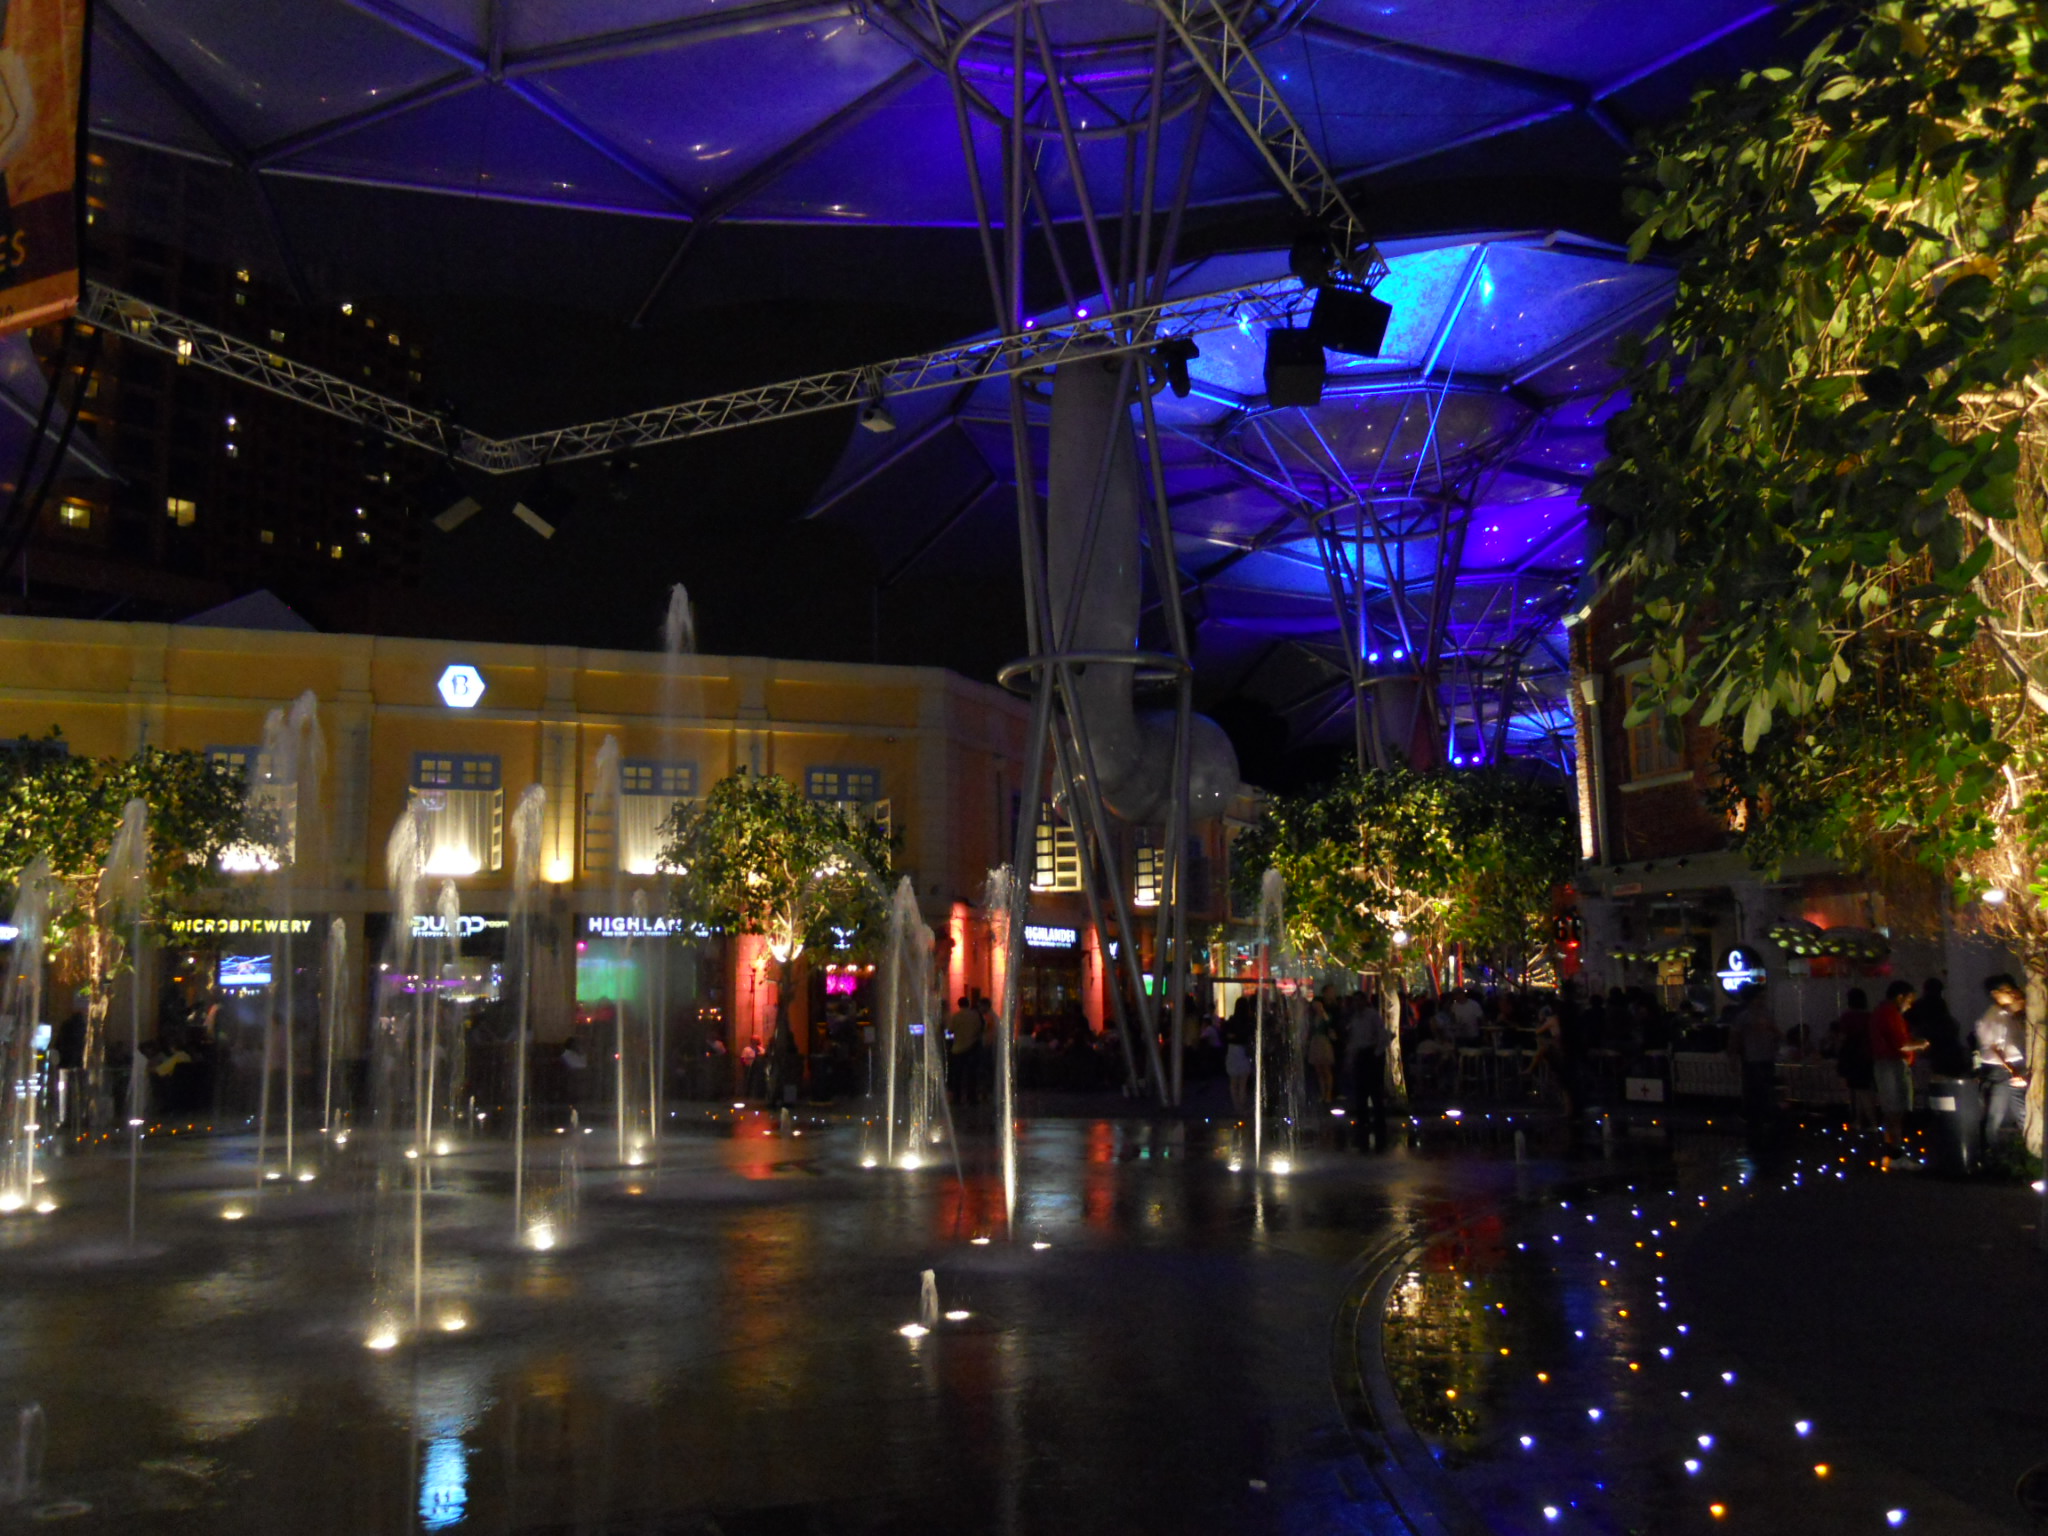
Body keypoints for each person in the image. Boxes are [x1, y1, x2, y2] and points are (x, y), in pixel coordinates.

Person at [1974, 973, 2030, 1146]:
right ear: (1995, 994)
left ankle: (2026, 1146)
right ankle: (1989, 1149)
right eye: (2006, 991)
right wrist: (2012, 1070)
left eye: (2012, 990)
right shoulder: (1994, 1016)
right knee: (1995, 1113)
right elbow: (1995, 1047)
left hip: (2014, 1066)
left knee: (2022, 1110)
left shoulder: (2010, 1014)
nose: (2011, 994)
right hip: (2001, 1069)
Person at [1870, 980, 1925, 1153]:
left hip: (1887, 1063)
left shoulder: (1884, 1012)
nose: (1909, 1005)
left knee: (1892, 1109)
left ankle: (1892, 1149)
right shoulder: (1889, 1013)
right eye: (1909, 1000)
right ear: (1900, 997)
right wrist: (1921, 1044)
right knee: (1895, 1109)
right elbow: (1901, 1044)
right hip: (1891, 1064)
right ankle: (1895, 1150)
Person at [1726, 984, 1782, 1148]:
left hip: (1764, 1058)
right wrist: (1733, 1057)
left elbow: (1775, 1033)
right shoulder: (1745, 1017)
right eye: (1759, 997)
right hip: (1753, 1059)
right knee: (1756, 1091)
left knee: (1762, 1090)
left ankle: (1759, 1122)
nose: (1762, 1000)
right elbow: (1735, 1039)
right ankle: (1756, 1122)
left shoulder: (1765, 1014)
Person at [1827, 988, 1877, 1129]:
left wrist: (1838, 1049)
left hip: (1853, 1057)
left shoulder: (1848, 1017)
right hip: (1868, 1056)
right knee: (1862, 1090)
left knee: (1860, 1091)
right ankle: (1862, 1120)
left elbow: (1843, 1037)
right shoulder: (1870, 1016)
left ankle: (1870, 1122)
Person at [1345, 993, 1389, 1151]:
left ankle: (1378, 1122)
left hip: (1370, 1054)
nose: (1357, 1004)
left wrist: (1376, 1053)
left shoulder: (1372, 1016)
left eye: (1359, 1001)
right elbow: (1354, 1039)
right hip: (1361, 1054)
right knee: (1361, 1091)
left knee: (1375, 1090)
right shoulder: (1355, 1018)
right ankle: (1363, 1121)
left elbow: (1382, 1035)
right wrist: (1351, 1057)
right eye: (1355, 1001)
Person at [945, 995, 983, 1106]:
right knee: (972, 1074)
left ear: (959, 1004)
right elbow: (980, 1028)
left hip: (958, 1048)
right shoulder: (975, 1016)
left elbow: (950, 1031)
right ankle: (972, 1097)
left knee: (958, 1074)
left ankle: (957, 1098)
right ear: (969, 1004)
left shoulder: (956, 1016)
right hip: (972, 1048)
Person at [1224, 996, 1254, 1113]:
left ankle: (1236, 1106)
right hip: (1243, 1051)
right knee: (1243, 1083)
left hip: (1232, 1050)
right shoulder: (1248, 1022)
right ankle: (1242, 1106)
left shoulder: (1231, 1021)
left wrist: (1233, 1036)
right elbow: (1248, 1036)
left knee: (1233, 1082)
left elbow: (1226, 1035)